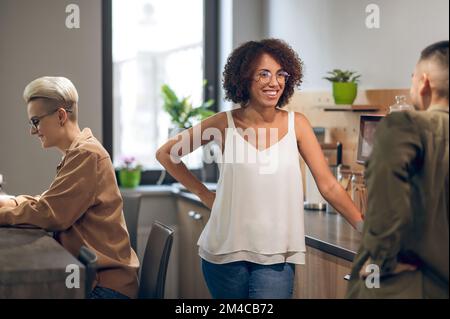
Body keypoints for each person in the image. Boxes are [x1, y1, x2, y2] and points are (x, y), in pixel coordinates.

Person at [156, 39, 364, 299]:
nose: (274, 82)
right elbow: (166, 154)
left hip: (276, 256)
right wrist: (204, 194)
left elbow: (329, 185)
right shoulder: (224, 123)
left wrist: (364, 228)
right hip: (224, 255)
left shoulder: (297, 124)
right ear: (244, 79)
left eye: (280, 74)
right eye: (263, 74)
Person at [0, 77, 139, 299]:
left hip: (104, 285)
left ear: (61, 116)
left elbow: (50, 214)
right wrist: (10, 202)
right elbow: (50, 203)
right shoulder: (77, 152)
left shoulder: (86, 155)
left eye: (35, 121)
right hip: (89, 276)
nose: (33, 131)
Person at [347, 41, 449, 299]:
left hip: (410, 283)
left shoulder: (405, 125)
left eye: (412, 77)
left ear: (424, 82)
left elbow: (387, 202)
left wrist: (381, 260)